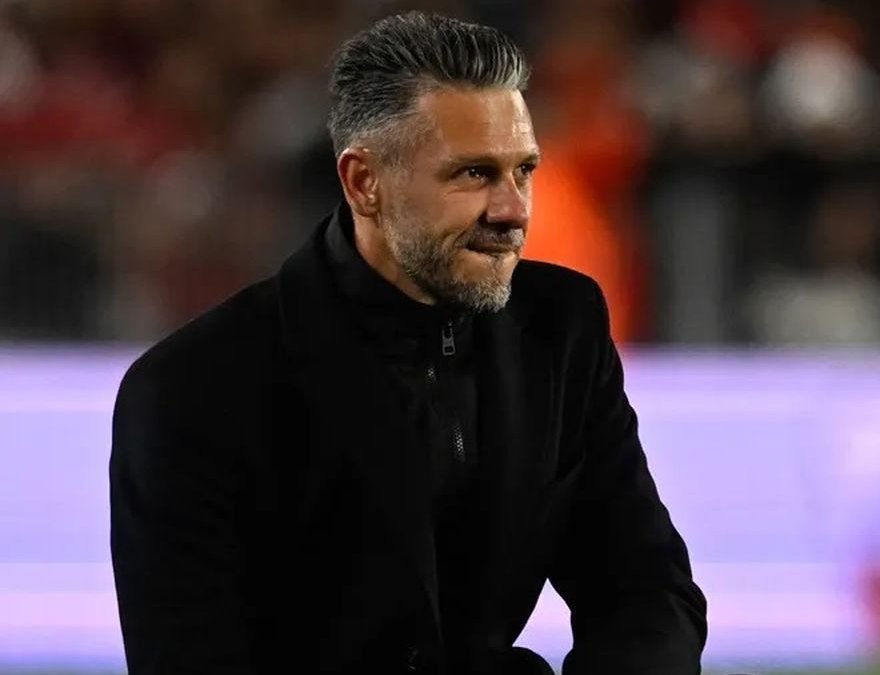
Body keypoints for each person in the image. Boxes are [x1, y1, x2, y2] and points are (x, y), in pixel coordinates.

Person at [108, 11, 706, 675]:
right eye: (473, 174)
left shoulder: (561, 326)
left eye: (524, 170)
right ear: (364, 182)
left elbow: (645, 591)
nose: (513, 209)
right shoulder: (194, 387)